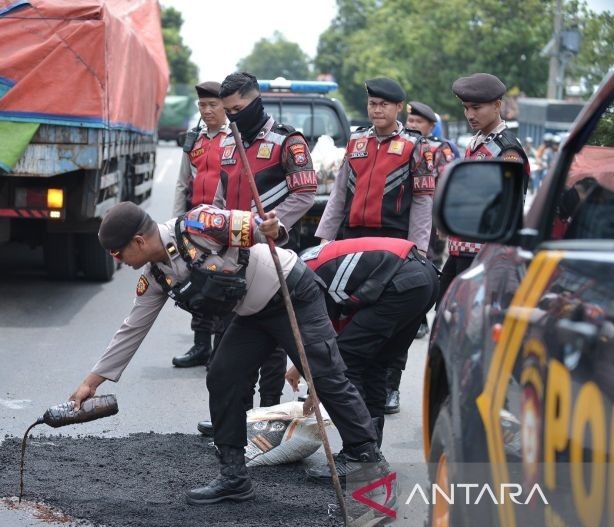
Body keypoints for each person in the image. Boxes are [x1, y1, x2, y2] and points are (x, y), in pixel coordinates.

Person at [68, 202, 389, 505]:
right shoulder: (156, 277)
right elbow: (131, 329)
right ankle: (234, 476)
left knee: (323, 374)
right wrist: (91, 382)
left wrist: (271, 227)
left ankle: (365, 459)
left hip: (292, 291)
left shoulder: (199, 225)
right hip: (253, 314)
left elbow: (258, 228)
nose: (118, 261)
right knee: (223, 375)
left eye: (117, 253)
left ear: (137, 241)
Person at [210, 71, 317, 408]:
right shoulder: (229, 141)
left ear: (256, 100)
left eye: (239, 108)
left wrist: (271, 224)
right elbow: (220, 197)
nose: (234, 116)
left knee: (271, 339)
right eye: (228, 111)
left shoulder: (288, 141)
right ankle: (231, 412)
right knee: (227, 333)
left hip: (273, 253)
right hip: (232, 255)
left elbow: (304, 194)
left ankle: (270, 410)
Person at [286, 237, 439, 452]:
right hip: (424, 277)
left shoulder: (305, 278)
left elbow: (328, 345)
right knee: (375, 365)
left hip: (403, 281)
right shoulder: (309, 264)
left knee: (347, 363)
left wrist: (317, 387)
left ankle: (358, 454)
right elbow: (333, 332)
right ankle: (371, 453)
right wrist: (307, 374)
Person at [378, 101, 457, 415]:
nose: (412, 123)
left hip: (427, 230)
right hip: (391, 230)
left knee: (408, 311)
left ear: (430, 126)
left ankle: (390, 387)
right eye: (409, 118)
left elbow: (446, 186)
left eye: (419, 120)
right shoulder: (395, 145)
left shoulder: (439, 150)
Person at [314, 77, 435, 255]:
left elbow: (422, 200)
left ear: (399, 107)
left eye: (384, 105)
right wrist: (325, 238)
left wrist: (420, 248)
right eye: (372, 104)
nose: (377, 110)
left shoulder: (416, 144)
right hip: (352, 236)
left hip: (394, 239)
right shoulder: (356, 140)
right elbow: (339, 192)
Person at [439, 73, 530, 304]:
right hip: (461, 250)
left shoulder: (507, 149)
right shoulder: (479, 142)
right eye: (466, 108)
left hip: (484, 256)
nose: (470, 115)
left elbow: (508, 210)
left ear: (497, 105)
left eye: (476, 108)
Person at [171, 81, 229, 368]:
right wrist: (175, 225)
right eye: (202, 106)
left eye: (212, 105)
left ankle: (220, 349)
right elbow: (183, 184)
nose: (207, 111)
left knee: (221, 285)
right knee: (196, 284)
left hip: (223, 227)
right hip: (194, 227)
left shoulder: (236, 140)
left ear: (224, 106)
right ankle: (200, 346)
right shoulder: (193, 140)